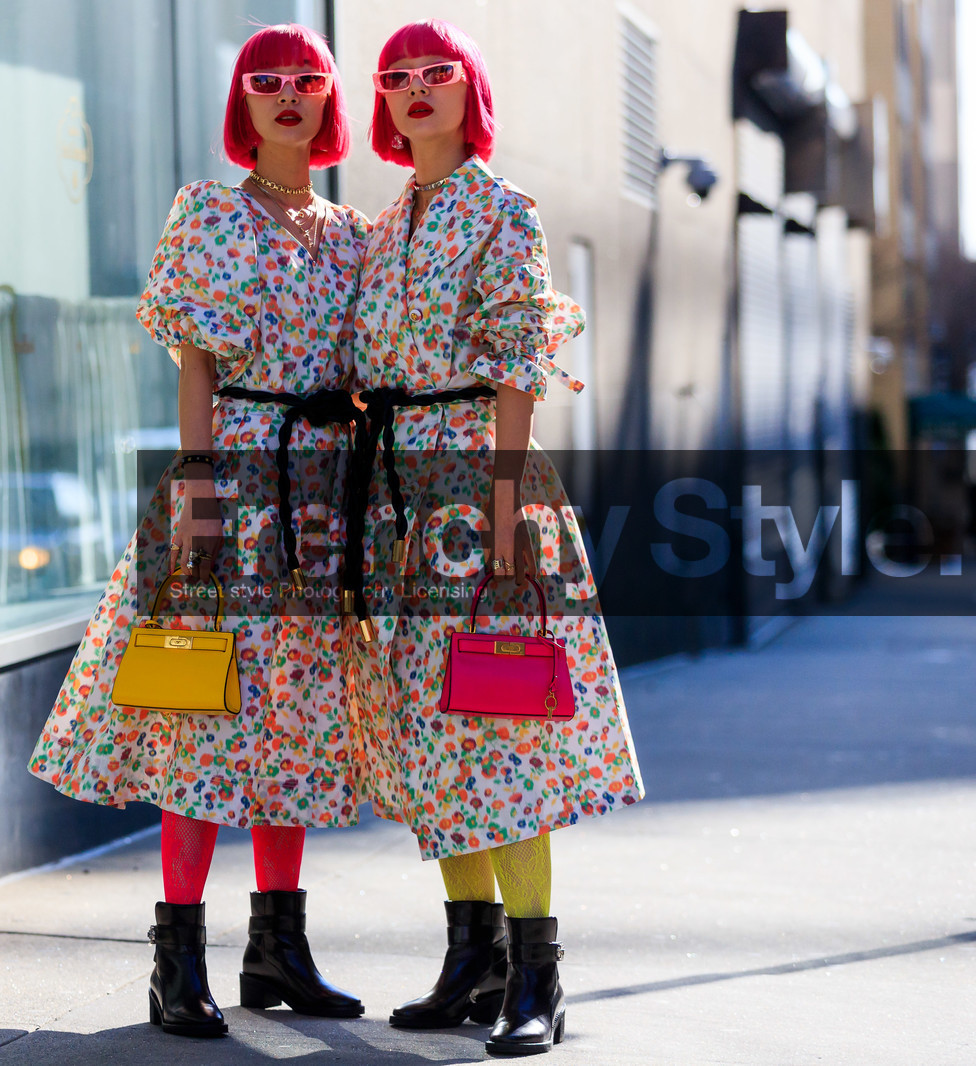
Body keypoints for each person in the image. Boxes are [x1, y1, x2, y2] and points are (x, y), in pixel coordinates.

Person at [28, 23, 372, 1039]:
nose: (287, 95)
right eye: (267, 81)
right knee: (203, 712)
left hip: (321, 494)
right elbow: (196, 369)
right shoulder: (210, 213)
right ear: (243, 102)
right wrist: (198, 494)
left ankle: (278, 949)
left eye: (306, 80)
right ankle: (175, 959)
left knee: (298, 714)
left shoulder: (354, 235)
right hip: (234, 476)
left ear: (329, 99)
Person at [346, 19, 645, 1056]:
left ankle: (537, 977)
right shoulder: (385, 223)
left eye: (437, 73)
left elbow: (519, 361)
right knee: (432, 736)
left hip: (481, 485)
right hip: (399, 499)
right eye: (397, 76)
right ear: (383, 102)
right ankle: (471, 961)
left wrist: (506, 503)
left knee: (501, 730)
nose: (416, 88)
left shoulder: (502, 208)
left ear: (468, 92)